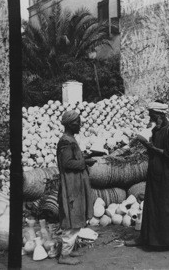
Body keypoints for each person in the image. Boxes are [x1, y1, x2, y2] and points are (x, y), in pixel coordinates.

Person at [125, 101, 169, 249]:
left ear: (160, 115)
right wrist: (145, 144)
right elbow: (153, 149)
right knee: (152, 205)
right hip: (155, 173)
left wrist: (151, 147)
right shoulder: (156, 130)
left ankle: (166, 240)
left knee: (166, 205)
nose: (150, 119)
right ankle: (147, 237)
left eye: (152, 116)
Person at [56, 110, 97, 265]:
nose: (80, 124)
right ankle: (64, 255)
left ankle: (70, 249)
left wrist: (83, 157)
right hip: (70, 184)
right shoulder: (66, 141)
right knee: (71, 217)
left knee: (75, 215)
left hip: (75, 183)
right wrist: (85, 163)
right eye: (77, 122)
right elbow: (67, 163)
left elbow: (72, 159)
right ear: (69, 124)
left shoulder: (70, 139)